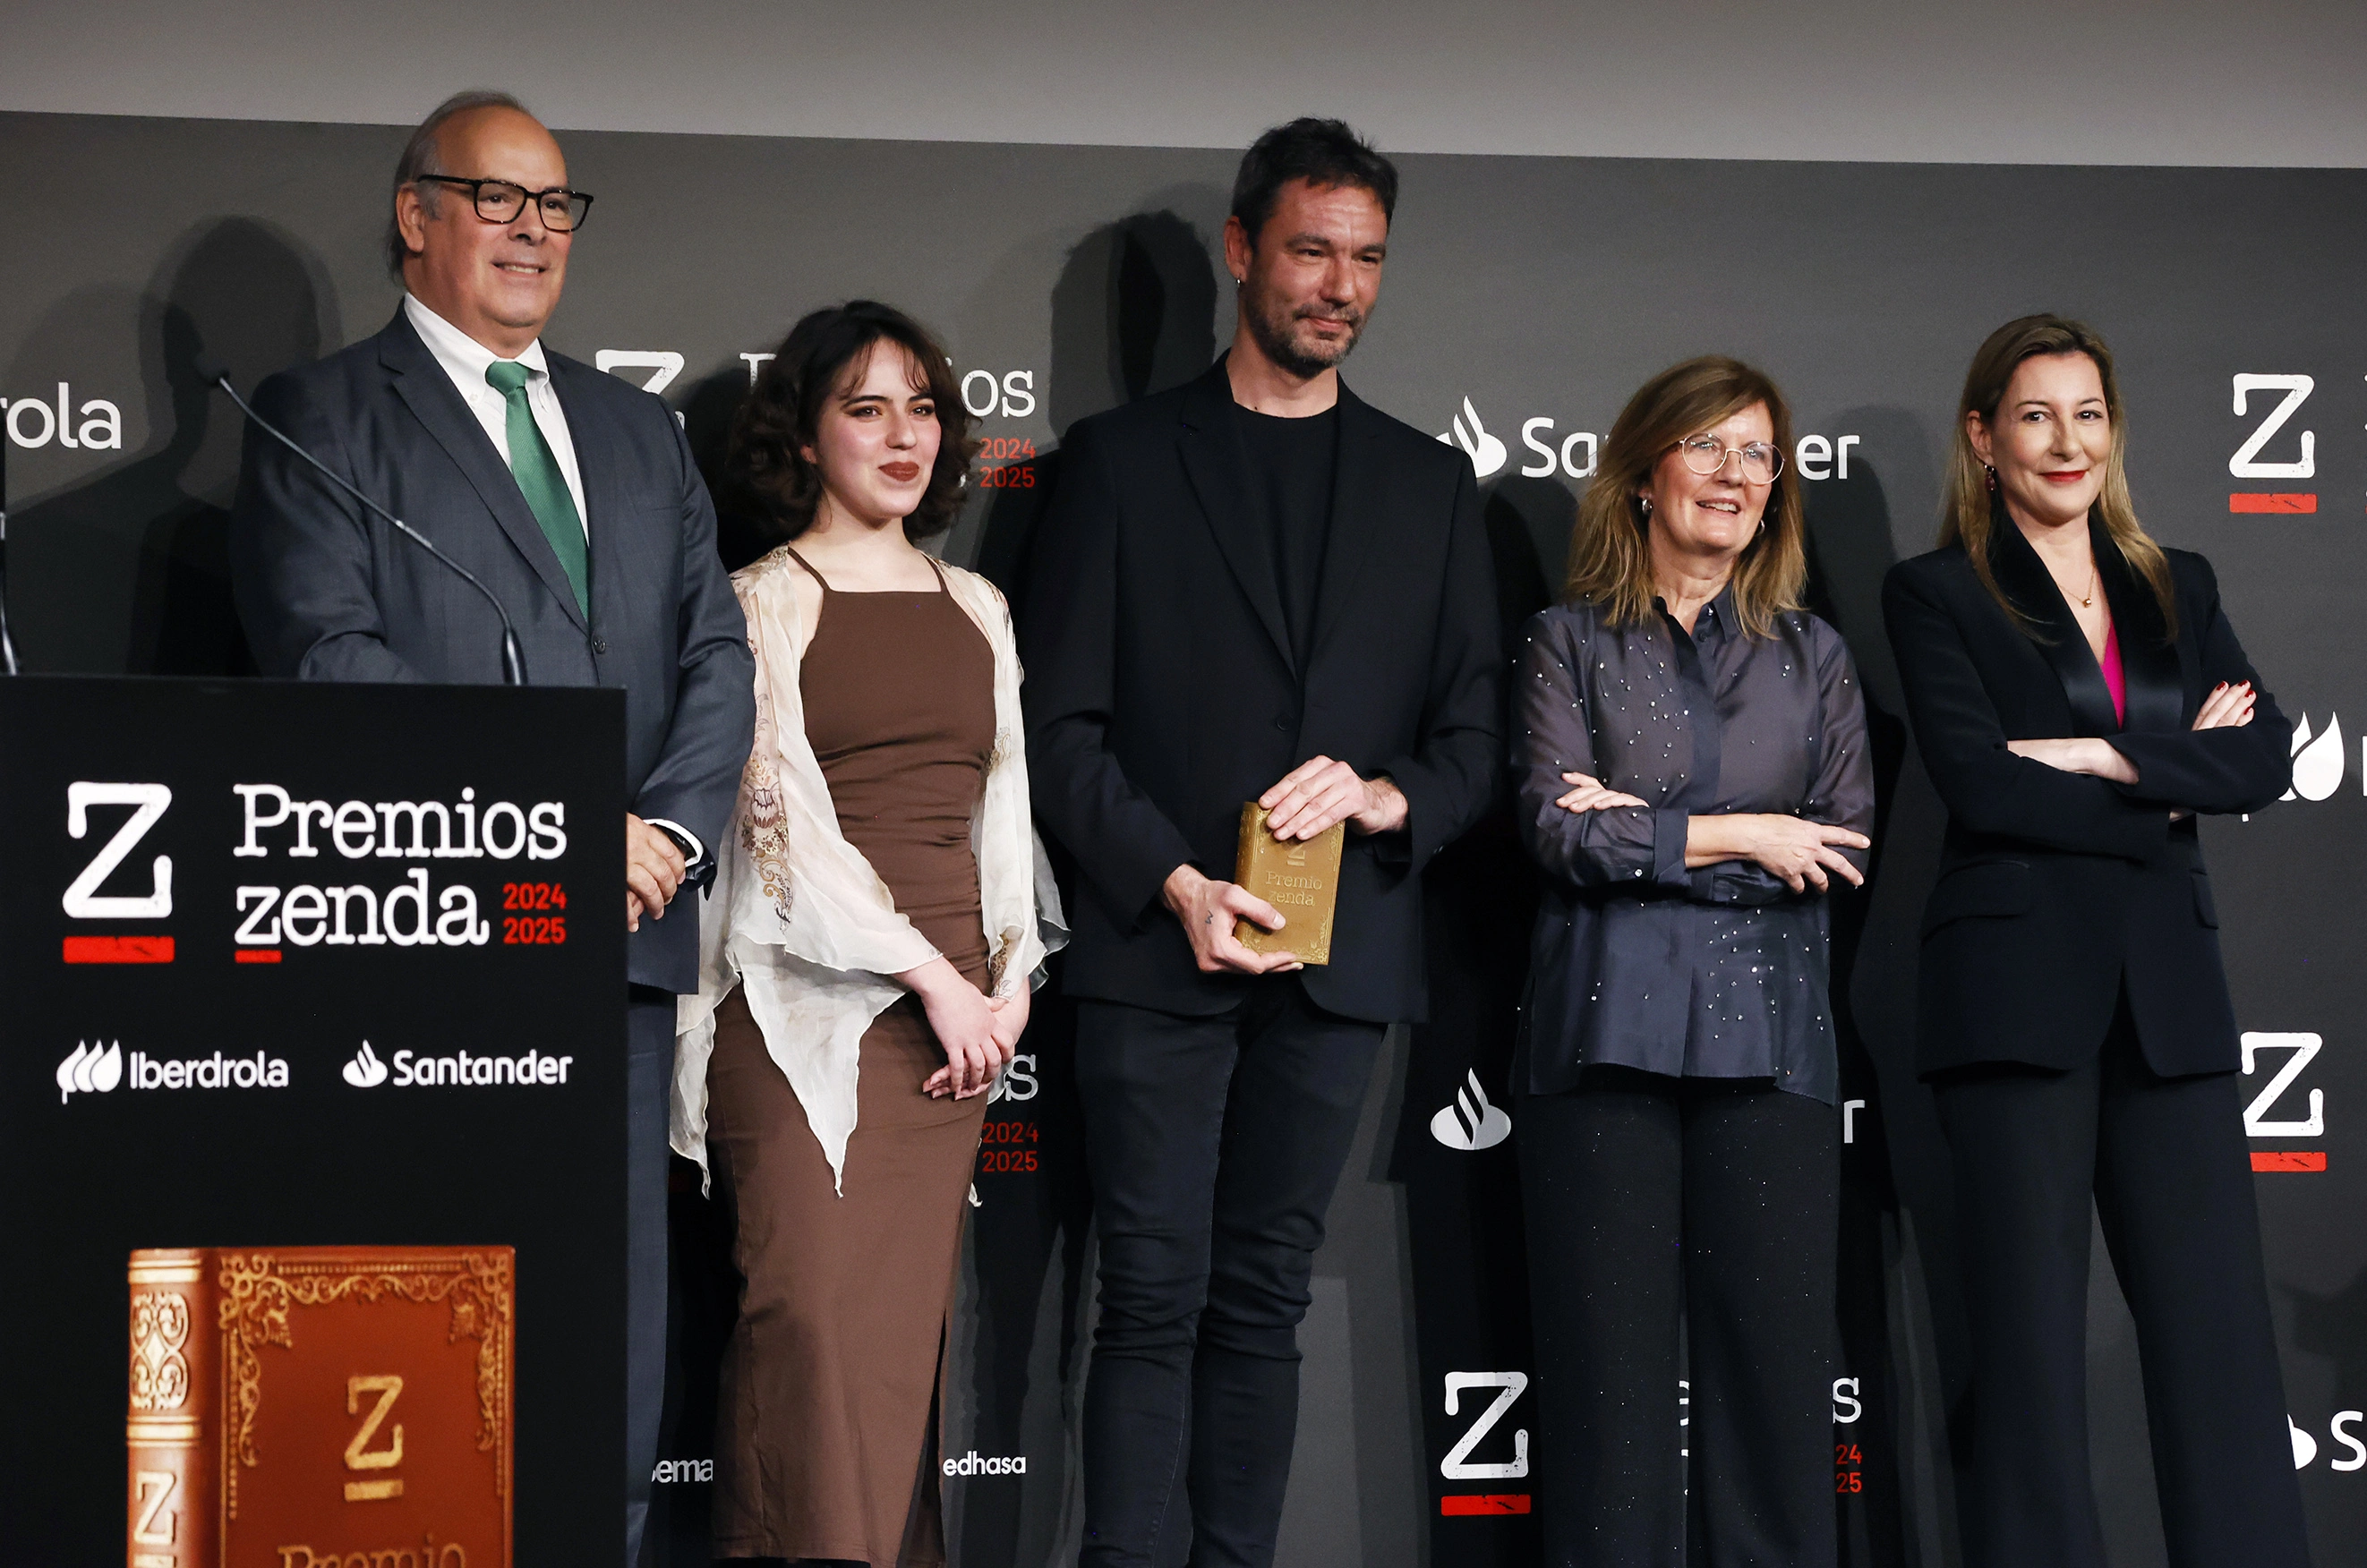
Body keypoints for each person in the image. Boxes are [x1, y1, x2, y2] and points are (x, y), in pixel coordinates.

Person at [225, 90, 755, 1566]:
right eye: (496, 198)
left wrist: (666, 839)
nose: (532, 232)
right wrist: (563, 830)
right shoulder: (319, 417)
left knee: (613, 1346)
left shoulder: (640, 433)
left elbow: (719, 657)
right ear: (415, 216)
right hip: (432, 961)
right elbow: (331, 664)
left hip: (626, 961)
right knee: (432, 1352)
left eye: (556, 206)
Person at [1021, 117, 1501, 1565]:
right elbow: (1058, 729)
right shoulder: (1114, 464)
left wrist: (1385, 797)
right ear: (1244, 253)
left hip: (1339, 958)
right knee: (1149, 1298)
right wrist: (1172, 881)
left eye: (1364, 259)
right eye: (1310, 250)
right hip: (1156, 947)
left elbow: (1477, 738)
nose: (1338, 285)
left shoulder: (1429, 488)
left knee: (1264, 1299)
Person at [1882, 314, 2306, 1568]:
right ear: (1984, 436)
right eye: (2035, 415)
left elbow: (2266, 756)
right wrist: (2178, 778)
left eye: (2088, 415)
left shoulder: (2180, 582)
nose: (2066, 442)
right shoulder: (1939, 591)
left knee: (2220, 1354)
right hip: (2015, 1005)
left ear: (2113, 431)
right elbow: (1983, 785)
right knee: (2026, 1366)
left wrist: (2105, 752)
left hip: (2170, 1004)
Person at [671, 301, 1061, 1568]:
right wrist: (937, 981)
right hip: (797, 1018)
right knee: (812, 1326)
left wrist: (1007, 991)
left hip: (954, 1036)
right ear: (806, 433)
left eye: (922, 407)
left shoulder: (980, 605)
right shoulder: (755, 604)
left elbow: (1005, 817)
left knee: (894, 1356)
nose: (902, 435)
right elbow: (779, 830)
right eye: (865, 407)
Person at [1510, 356, 1872, 1565]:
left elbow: (1836, 847)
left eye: (1758, 453)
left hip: (1772, 1051)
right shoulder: (1566, 642)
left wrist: (1642, 829)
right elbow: (1559, 832)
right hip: (1597, 1049)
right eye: (1708, 446)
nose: (1733, 474)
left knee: (1774, 1398)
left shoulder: (1814, 657)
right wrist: (1740, 833)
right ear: (1646, 468)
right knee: (1606, 1404)